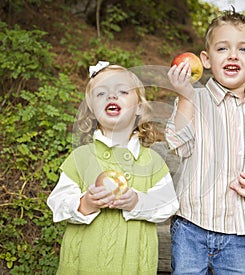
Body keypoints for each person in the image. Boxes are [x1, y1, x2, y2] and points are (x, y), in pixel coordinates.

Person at [165, 9, 245, 275]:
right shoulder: (194, 101)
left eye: (243, 49)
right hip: (191, 227)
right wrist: (184, 96)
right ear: (205, 59)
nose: (232, 55)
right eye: (222, 48)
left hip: (241, 232)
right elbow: (177, 142)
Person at [47, 62, 179, 275]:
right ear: (91, 109)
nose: (111, 96)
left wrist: (137, 201)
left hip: (133, 265)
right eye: (101, 93)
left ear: (139, 107)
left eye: (122, 91)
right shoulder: (80, 158)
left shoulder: (152, 162)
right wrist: (85, 203)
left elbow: (168, 204)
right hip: (84, 263)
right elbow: (58, 203)